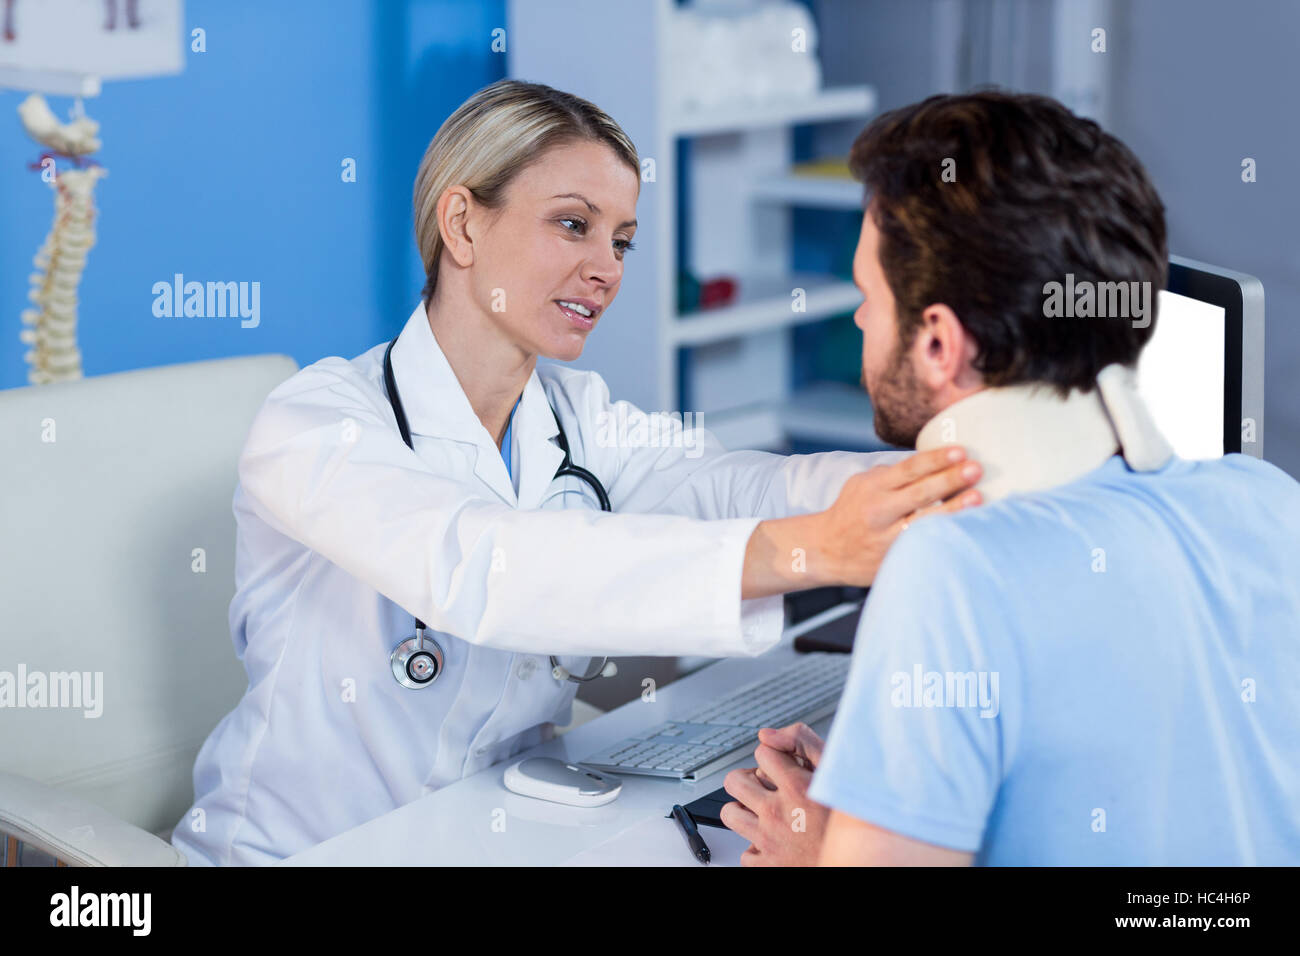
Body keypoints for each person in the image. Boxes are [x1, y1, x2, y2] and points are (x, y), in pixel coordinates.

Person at [171, 79, 983, 866]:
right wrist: (803, 550)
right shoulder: (315, 421)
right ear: (462, 225)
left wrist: (951, 473)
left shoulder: (581, 416)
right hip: (304, 852)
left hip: (500, 833)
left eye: (621, 240)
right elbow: (479, 567)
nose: (608, 269)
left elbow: (732, 485)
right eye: (572, 225)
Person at [721, 90, 1300, 866]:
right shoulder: (1266, 503)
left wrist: (819, 852)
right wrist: (890, 790)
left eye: (869, 299)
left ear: (939, 344)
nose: (860, 322)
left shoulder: (954, 569)